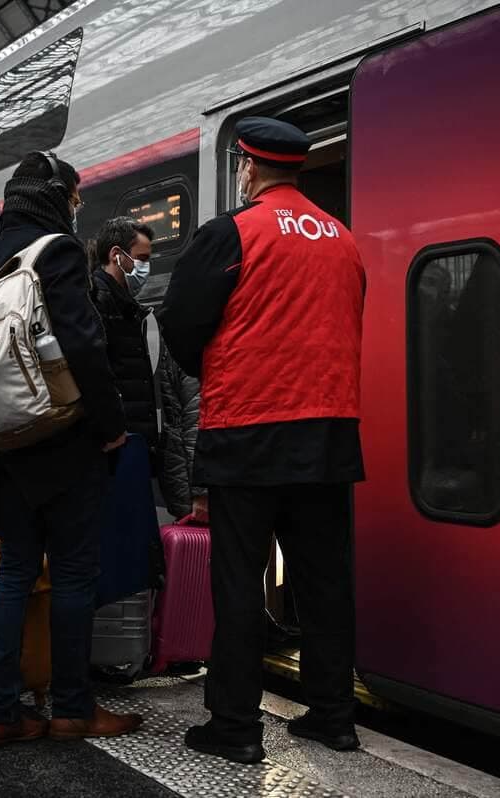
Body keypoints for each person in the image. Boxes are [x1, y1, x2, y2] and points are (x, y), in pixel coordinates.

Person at [159, 118, 366, 763]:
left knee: (240, 584)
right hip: (329, 434)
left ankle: (237, 728)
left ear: (247, 168)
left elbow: (180, 325)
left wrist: (212, 365)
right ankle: (333, 715)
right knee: (325, 582)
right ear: (296, 170)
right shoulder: (344, 240)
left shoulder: (232, 233)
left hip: (248, 431)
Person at [0, 152, 140, 750]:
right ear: (56, 197)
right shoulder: (55, 252)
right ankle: (70, 708)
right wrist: (111, 424)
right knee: (70, 575)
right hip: (64, 438)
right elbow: (84, 345)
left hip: (9, 442)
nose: (77, 206)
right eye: (75, 195)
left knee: (14, 571)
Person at [89, 218, 158, 457]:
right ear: (116, 255)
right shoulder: (97, 303)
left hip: (132, 443)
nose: (145, 269)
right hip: (117, 447)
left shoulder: (127, 307)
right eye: (141, 259)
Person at [157, 347, 206, 522]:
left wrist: (201, 492)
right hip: (192, 484)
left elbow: (195, 421)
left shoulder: (181, 342)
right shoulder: (190, 345)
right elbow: (195, 422)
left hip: (189, 481)